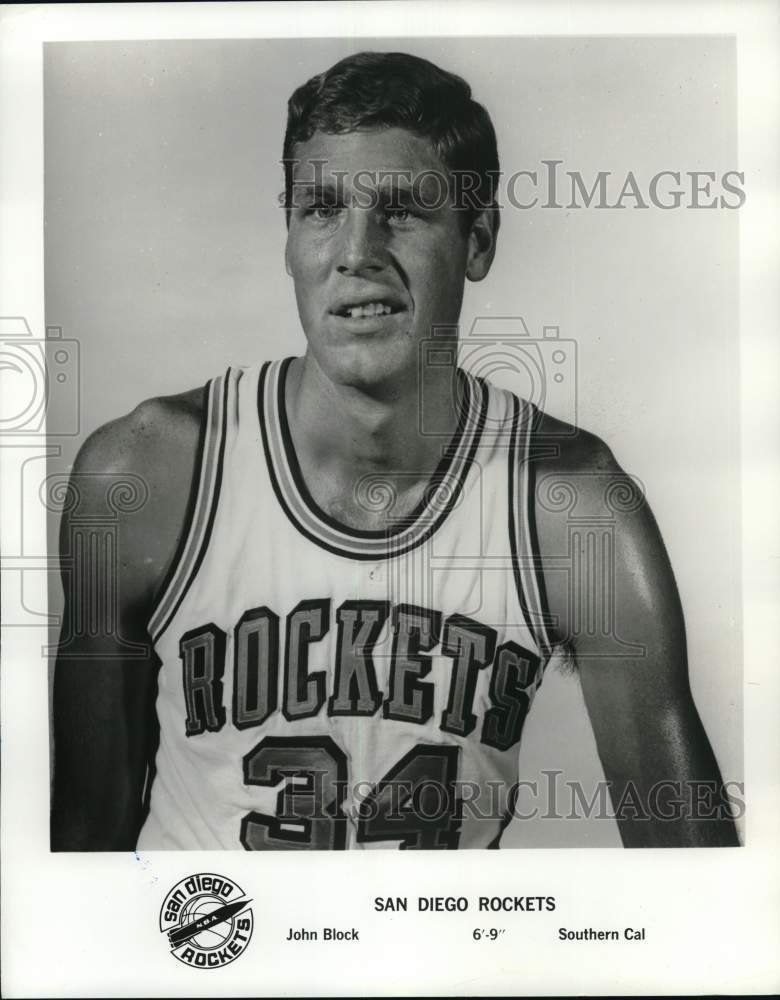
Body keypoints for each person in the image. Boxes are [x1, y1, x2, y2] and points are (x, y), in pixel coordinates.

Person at [51, 51, 738, 850]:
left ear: (477, 240)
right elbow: (81, 862)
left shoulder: (569, 505)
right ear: (288, 238)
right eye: (320, 208)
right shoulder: (147, 476)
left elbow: (699, 891)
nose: (356, 252)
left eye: (402, 210)